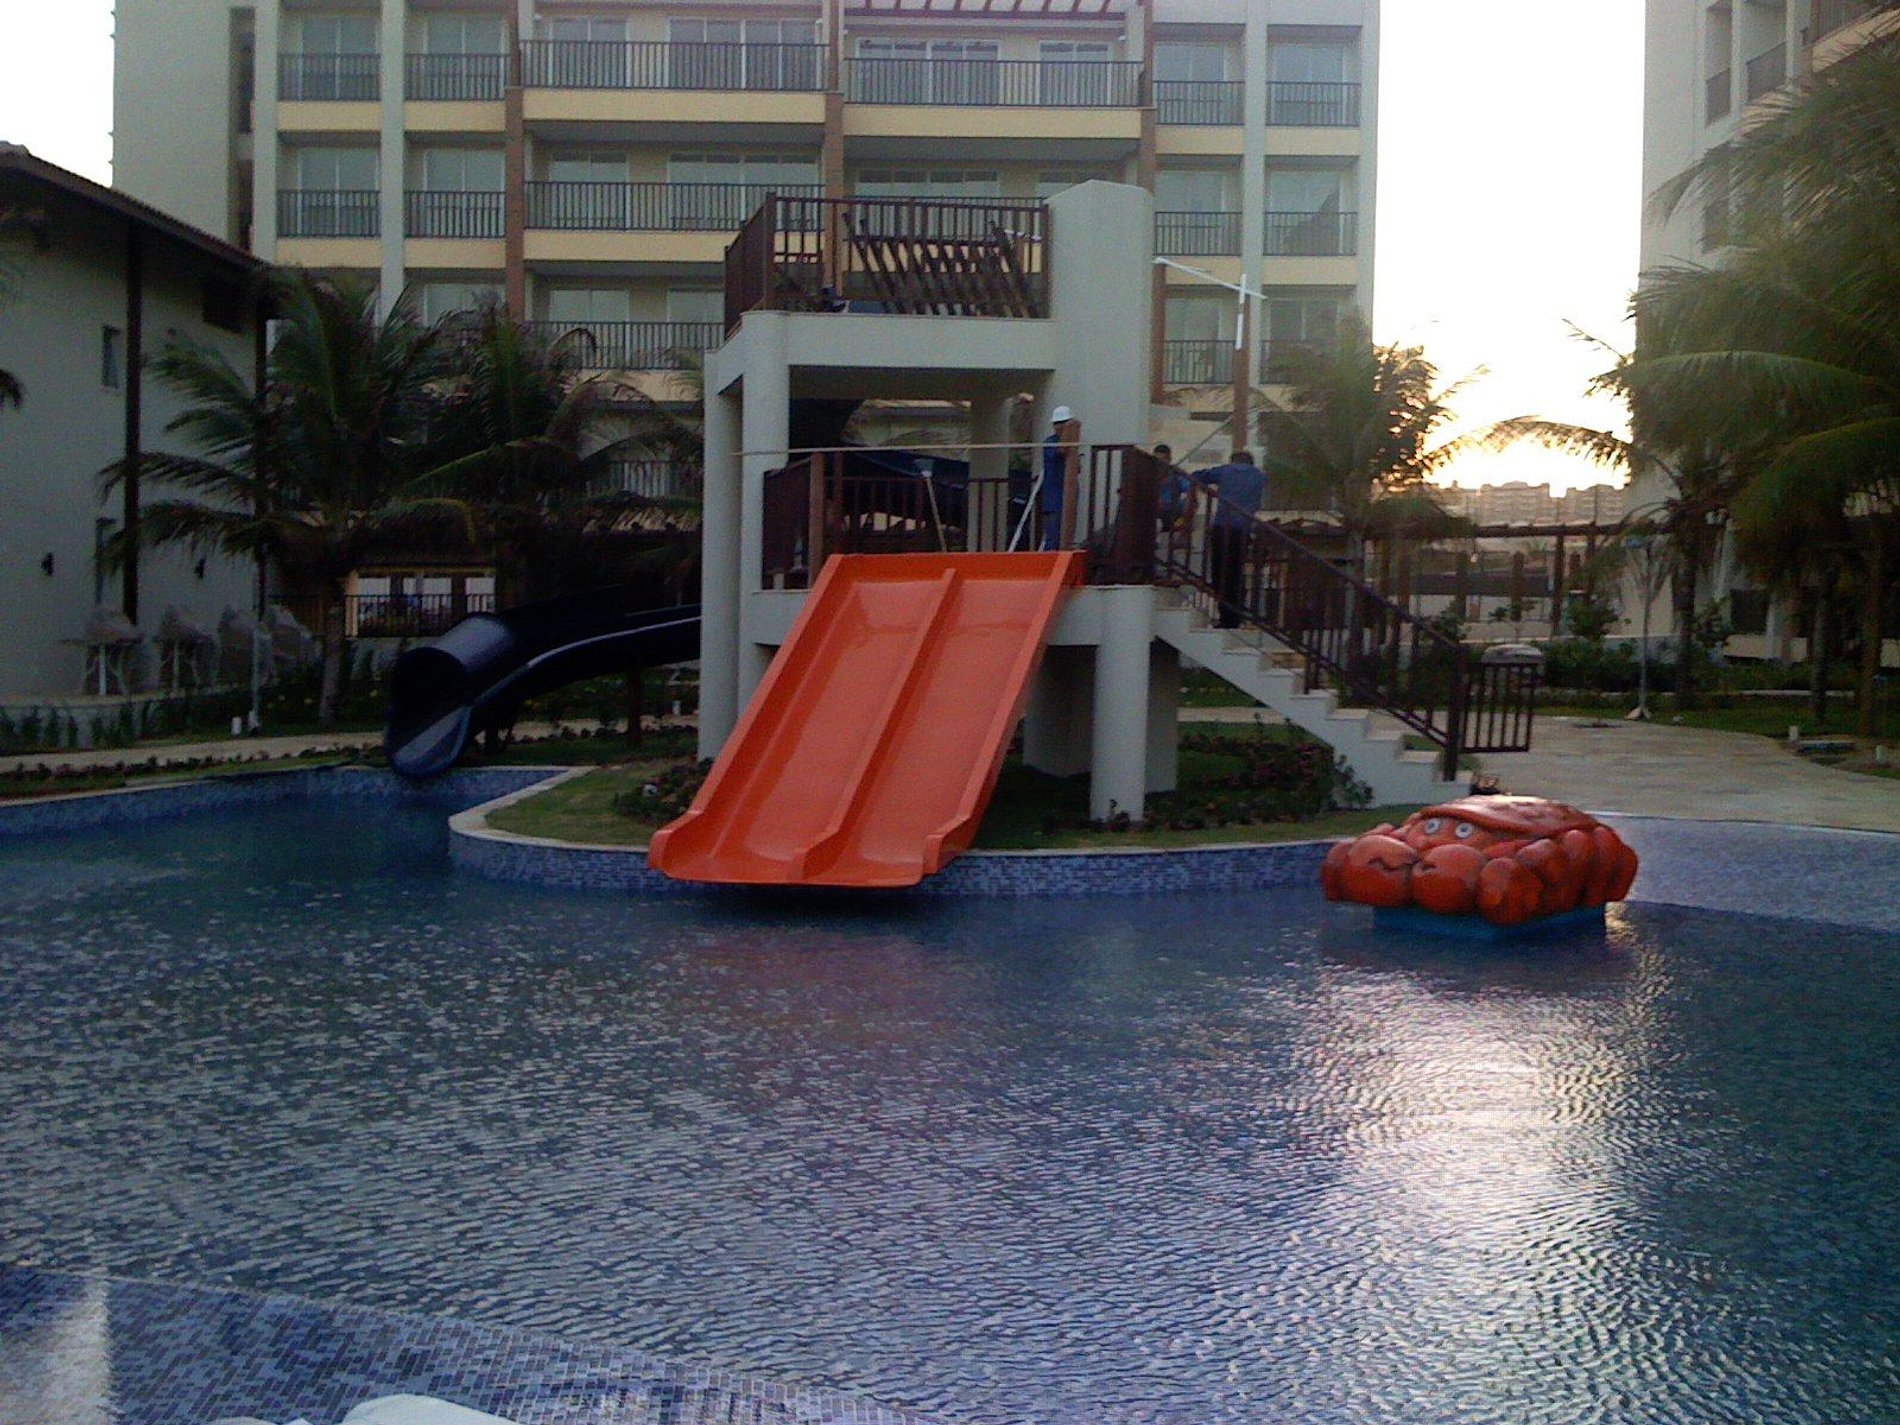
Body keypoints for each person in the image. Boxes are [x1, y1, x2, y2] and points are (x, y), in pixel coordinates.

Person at [1201, 449, 1266, 627]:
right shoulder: (1259, 476)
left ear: (1233, 460)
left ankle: (1226, 615)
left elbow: (1199, 476)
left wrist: (1207, 489)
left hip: (1223, 527)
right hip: (1243, 529)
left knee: (1220, 573)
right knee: (1237, 572)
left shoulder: (1225, 471)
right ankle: (1236, 615)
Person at [1039, 405, 1076, 550]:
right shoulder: (1050, 442)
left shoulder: (1073, 445)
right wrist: (1069, 431)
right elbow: (1061, 451)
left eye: (1063, 423)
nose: (1060, 427)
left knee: (1066, 536)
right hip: (1053, 498)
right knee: (1053, 537)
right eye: (1058, 423)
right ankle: (1049, 560)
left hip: (1067, 496)